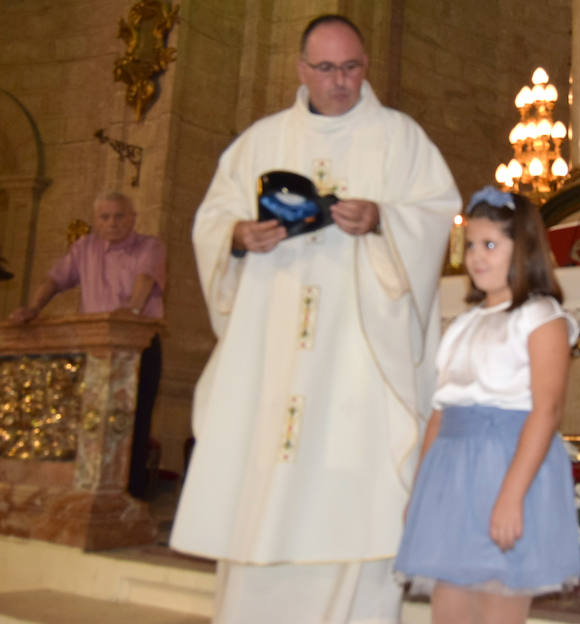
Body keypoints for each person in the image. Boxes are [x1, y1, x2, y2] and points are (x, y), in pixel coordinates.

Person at [169, 13, 461, 624]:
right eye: (327, 68)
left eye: (352, 67)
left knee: (357, 481)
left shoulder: (400, 137)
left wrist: (382, 219)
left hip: (357, 351)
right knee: (268, 472)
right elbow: (209, 224)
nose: (341, 81)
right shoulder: (260, 142)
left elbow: (437, 212)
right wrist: (240, 237)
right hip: (274, 348)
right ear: (302, 70)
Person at [394, 187, 580, 624]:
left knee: (497, 601)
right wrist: (420, 490)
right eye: (472, 245)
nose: (476, 257)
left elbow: (547, 411)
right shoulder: (464, 324)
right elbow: (441, 413)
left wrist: (511, 496)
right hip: (452, 475)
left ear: (525, 248)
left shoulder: (541, 318)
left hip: (507, 468)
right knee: (450, 608)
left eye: (491, 245)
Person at [8, 191, 166, 499]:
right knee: (87, 420)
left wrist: (131, 313)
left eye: (119, 216)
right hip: (93, 346)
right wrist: (33, 308)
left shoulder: (151, 246)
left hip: (138, 345)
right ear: (96, 221)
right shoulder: (84, 248)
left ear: (132, 218)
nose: (113, 223)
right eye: (105, 217)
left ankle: (126, 498)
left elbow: (145, 280)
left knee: (130, 421)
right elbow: (55, 279)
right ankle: (83, 494)